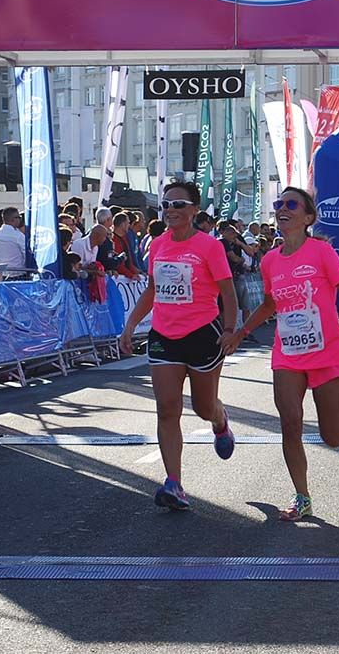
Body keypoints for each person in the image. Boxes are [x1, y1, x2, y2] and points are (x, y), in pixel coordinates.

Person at [228, 187, 339, 522]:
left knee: (333, 437)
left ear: (308, 217)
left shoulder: (321, 253)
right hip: (289, 353)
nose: (282, 208)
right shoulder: (269, 261)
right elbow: (269, 304)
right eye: (279, 204)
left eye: (291, 204)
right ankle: (302, 496)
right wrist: (241, 333)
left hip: (327, 352)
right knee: (290, 423)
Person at [119, 182, 239, 511]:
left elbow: (228, 293)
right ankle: (174, 483)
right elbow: (152, 291)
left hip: (203, 333)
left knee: (202, 407)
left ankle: (220, 420)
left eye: (179, 204)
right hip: (164, 336)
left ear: (195, 210)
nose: (170, 210)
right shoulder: (157, 245)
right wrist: (131, 324)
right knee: (167, 408)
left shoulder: (209, 247)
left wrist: (230, 330)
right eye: (166, 204)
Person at [0, 207, 26, 271]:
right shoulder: (18, 235)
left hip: (0, 273)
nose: (20, 220)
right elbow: (26, 254)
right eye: (19, 217)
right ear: (13, 219)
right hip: (17, 273)